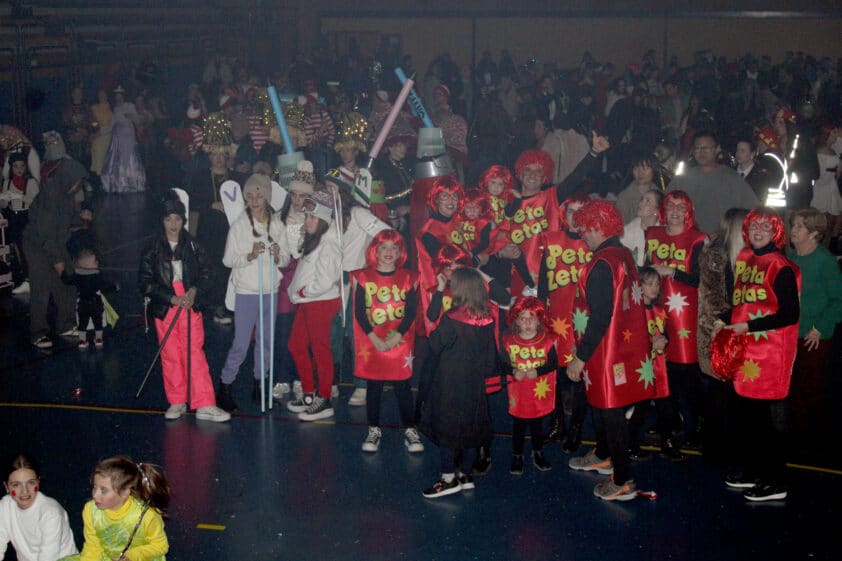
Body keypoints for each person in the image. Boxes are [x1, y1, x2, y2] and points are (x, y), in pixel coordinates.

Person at [566, 200, 655, 502]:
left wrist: (580, 357)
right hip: (621, 347)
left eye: (586, 228)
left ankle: (623, 480)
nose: (582, 235)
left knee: (610, 411)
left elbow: (600, 316)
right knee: (603, 407)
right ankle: (604, 455)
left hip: (606, 352)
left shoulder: (602, 263)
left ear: (599, 226)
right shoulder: (623, 254)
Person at [721, 208, 800, 502]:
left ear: (776, 232)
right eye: (754, 225)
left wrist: (748, 326)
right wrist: (723, 319)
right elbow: (743, 304)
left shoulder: (781, 267)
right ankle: (754, 472)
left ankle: (775, 481)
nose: (758, 231)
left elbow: (790, 314)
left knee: (766, 422)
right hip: (747, 350)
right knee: (748, 417)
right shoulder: (746, 259)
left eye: (766, 227)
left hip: (770, 353)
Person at [139, 190, 231, 422]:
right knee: (170, 354)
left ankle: (204, 403)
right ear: (162, 221)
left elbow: (208, 273)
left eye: (178, 219)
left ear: (184, 220)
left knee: (194, 352)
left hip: (190, 304)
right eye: (168, 219)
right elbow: (145, 283)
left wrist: (194, 290)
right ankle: (177, 401)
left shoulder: (193, 245)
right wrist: (171, 298)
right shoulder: (152, 249)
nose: (173, 224)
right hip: (166, 307)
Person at [419, 268, 497, 499]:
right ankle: (465, 474)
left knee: (448, 428)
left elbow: (435, 344)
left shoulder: (453, 317)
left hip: (450, 381)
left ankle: (447, 479)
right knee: (471, 427)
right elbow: (490, 358)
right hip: (475, 383)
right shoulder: (487, 317)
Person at [218, 174, 289, 412]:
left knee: (266, 342)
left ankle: (260, 386)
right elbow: (228, 259)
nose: (254, 200)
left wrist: (278, 255)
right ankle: (225, 386)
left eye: (258, 195)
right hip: (247, 291)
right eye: (249, 196)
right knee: (241, 343)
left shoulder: (277, 225)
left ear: (266, 197)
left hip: (270, 290)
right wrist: (249, 255)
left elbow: (285, 258)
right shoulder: (240, 226)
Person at [645, 191, 709, 448]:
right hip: (656, 309)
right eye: (670, 205)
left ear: (688, 212)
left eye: (681, 207)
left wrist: (672, 271)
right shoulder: (652, 234)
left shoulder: (698, 239)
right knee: (661, 367)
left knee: (686, 371)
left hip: (685, 313)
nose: (675, 211)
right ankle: (669, 420)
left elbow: (702, 279)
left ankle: (698, 423)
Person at [352, 230, 423, 453]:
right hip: (373, 341)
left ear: (401, 252)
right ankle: (373, 428)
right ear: (375, 250)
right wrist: (374, 338)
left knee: (403, 386)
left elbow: (410, 312)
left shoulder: (409, 277)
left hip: (399, 342)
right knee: (374, 386)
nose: (389, 252)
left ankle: (410, 429)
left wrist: (396, 338)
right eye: (384, 247)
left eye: (394, 247)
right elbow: (359, 312)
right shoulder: (363, 277)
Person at [537, 195, 591, 451]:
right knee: (556, 375)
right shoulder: (550, 239)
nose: (575, 216)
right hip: (555, 319)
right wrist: (539, 316)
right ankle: (558, 424)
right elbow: (542, 283)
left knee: (581, 376)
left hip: (584, 320)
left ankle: (576, 429)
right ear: (563, 213)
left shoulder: (595, 242)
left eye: (581, 211)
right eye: (571, 211)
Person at [23, 131, 86, 349]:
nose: (78, 186)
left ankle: (65, 325)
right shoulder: (51, 196)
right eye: (76, 182)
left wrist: (81, 219)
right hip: (37, 243)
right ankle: (38, 332)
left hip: (54, 240)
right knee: (42, 286)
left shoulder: (66, 194)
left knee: (67, 283)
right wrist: (57, 259)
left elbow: (67, 218)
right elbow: (46, 232)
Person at [787, 208, 842, 451]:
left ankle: (811, 441)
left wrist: (819, 328)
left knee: (810, 388)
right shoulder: (791, 258)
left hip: (813, 336)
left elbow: (838, 300)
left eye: (800, 226)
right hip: (791, 333)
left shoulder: (824, 261)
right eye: (794, 225)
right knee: (793, 387)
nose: (794, 230)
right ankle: (795, 435)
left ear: (814, 233)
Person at [286, 190, 342, 421]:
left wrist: (304, 291)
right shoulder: (316, 239)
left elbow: (325, 279)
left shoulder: (329, 243)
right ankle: (309, 393)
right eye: (307, 216)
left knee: (320, 350)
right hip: (309, 302)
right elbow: (298, 256)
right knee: (296, 344)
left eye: (312, 217)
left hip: (320, 301)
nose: (307, 220)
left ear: (323, 220)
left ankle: (324, 398)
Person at [59, 456, 170, 561]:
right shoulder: (91, 510)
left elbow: (161, 546)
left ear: (125, 492)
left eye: (103, 490)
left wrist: (132, 555)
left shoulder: (147, 515)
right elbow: (93, 546)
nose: (95, 495)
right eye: (94, 487)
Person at [626, 267, 684, 461]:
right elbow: (629, 340)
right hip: (642, 367)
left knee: (665, 406)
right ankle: (630, 443)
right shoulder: (633, 311)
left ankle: (667, 443)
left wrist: (664, 339)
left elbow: (664, 332)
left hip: (659, 366)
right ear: (639, 286)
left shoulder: (659, 310)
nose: (654, 288)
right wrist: (651, 343)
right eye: (649, 283)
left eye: (657, 284)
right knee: (641, 408)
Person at [500, 297, 558, 474]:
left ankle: (538, 452)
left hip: (537, 393)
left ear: (539, 320)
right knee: (518, 425)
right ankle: (517, 455)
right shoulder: (508, 341)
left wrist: (538, 371)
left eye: (531, 318)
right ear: (516, 320)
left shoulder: (547, 340)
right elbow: (501, 363)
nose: (527, 323)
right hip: (519, 393)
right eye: (522, 318)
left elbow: (553, 363)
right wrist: (512, 370)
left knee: (536, 425)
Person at [668, 131, 758, 233]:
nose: (701, 152)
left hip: (720, 239)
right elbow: (665, 203)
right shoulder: (682, 179)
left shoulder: (731, 178)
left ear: (717, 149)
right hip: (688, 236)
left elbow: (753, 209)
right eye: (697, 148)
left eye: (706, 148)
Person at [1, 453, 78, 561]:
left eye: (31, 483)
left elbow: (48, 558)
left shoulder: (51, 513)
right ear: (6, 487)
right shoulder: (5, 506)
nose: (24, 491)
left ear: (38, 482)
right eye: (16, 485)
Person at [61, 249, 119, 349]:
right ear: (90, 265)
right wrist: (115, 287)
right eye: (95, 262)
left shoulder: (77, 276)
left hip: (82, 303)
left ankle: (82, 340)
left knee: (82, 323)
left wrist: (63, 273)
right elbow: (105, 286)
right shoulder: (96, 276)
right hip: (96, 303)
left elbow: (67, 280)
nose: (97, 262)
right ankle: (98, 339)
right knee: (98, 322)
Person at [0, 152, 39, 293]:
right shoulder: (7, 182)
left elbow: (36, 203)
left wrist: (19, 196)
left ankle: (32, 278)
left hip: (27, 216)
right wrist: (4, 198)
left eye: (22, 166)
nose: (19, 169)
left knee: (28, 249)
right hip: (13, 217)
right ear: (11, 168)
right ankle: (25, 278)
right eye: (16, 166)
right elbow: (4, 205)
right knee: (17, 249)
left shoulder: (31, 182)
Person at [100, 85, 146, 193]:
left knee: (130, 157)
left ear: (123, 96)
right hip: (118, 135)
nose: (118, 97)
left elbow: (138, 120)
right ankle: (120, 183)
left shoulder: (130, 105)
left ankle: (133, 183)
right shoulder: (115, 108)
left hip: (128, 134)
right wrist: (100, 132)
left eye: (120, 95)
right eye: (116, 95)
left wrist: (132, 116)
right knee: (119, 158)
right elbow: (112, 125)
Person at [620, 188, 663, 267]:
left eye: (647, 201)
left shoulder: (664, 232)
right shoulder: (630, 228)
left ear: (656, 211)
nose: (641, 203)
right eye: (642, 199)